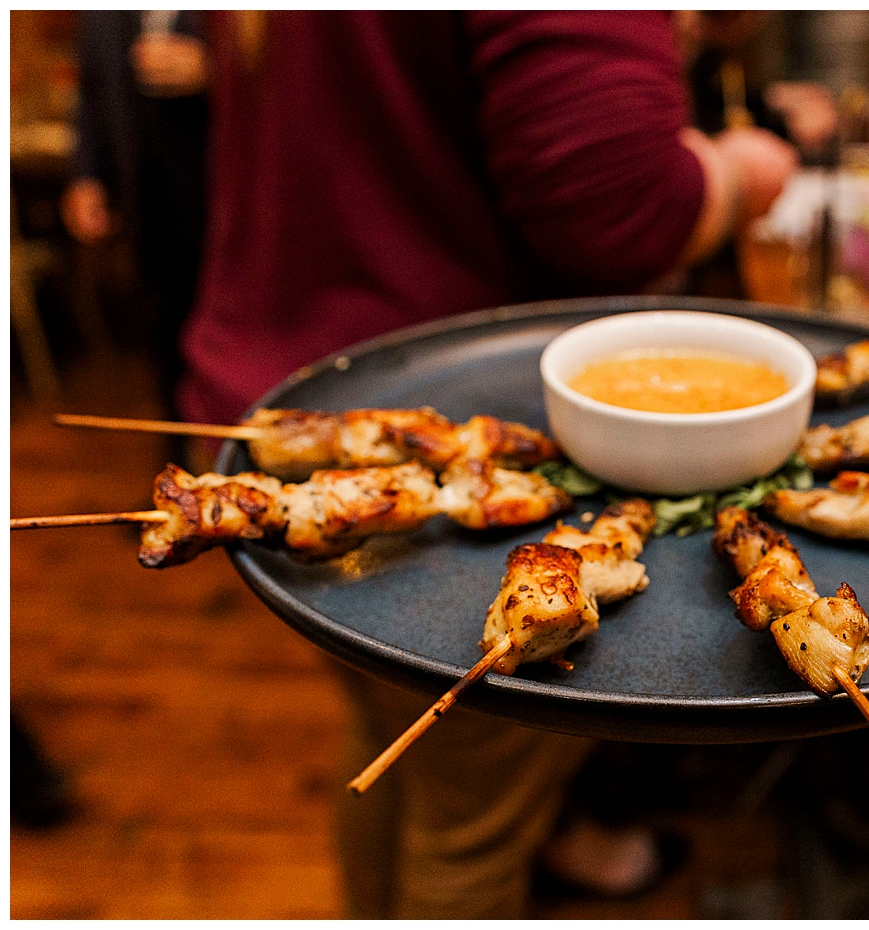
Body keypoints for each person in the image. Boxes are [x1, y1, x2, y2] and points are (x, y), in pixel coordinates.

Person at [184, 11, 796, 916]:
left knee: (402, 755)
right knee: (470, 828)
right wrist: (744, 168)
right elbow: (616, 205)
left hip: (266, 389)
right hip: (436, 426)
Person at [63, 10, 211, 405]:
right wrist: (87, 176)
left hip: (219, 197)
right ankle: (177, 442)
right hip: (143, 199)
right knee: (161, 332)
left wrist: (212, 71)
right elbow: (91, 93)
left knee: (220, 339)